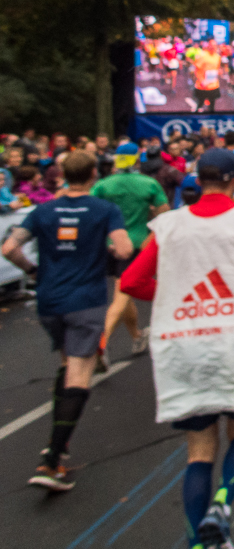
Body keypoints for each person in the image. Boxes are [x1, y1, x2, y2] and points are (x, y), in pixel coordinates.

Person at [119, 148, 234, 549]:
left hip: (185, 345)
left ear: (198, 178)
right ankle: (223, 504)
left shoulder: (169, 225)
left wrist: (170, 297)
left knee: (199, 450)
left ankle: (199, 542)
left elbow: (131, 281)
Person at [2, 151, 133, 491]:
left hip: (49, 300)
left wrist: (33, 271)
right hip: (85, 300)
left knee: (66, 362)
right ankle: (52, 459)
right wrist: (101, 249)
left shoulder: (43, 210)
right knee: (79, 374)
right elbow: (124, 250)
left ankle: (57, 444)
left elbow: (8, 248)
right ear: (93, 174)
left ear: (62, 174)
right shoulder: (104, 209)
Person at [92, 142, 169, 370]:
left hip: (109, 244)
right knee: (123, 294)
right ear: (137, 160)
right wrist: (152, 235)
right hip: (137, 244)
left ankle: (136, 336)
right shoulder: (149, 183)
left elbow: (93, 212)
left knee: (124, 290)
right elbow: (165, 215)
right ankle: (101, 340)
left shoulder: (103, 185)